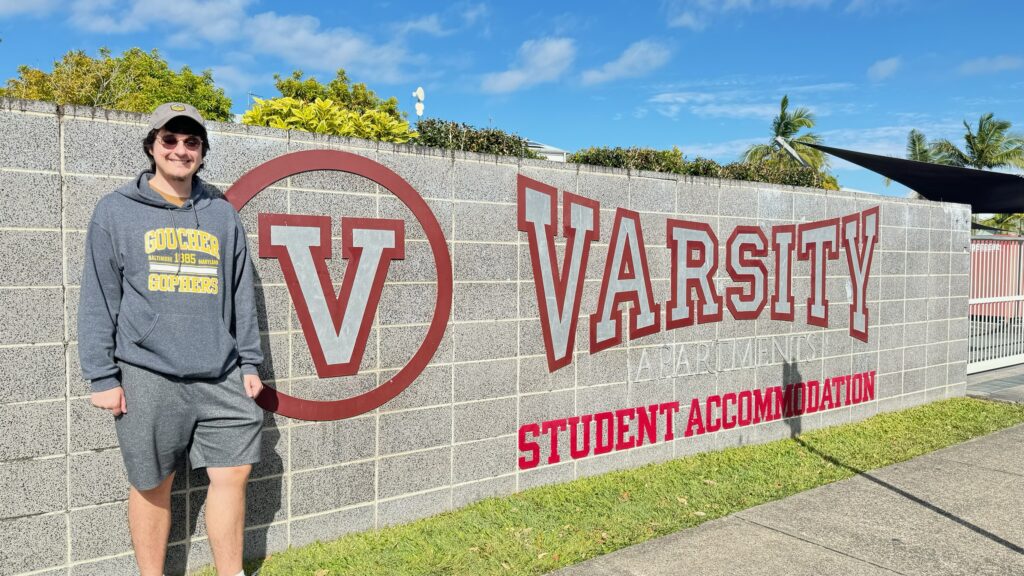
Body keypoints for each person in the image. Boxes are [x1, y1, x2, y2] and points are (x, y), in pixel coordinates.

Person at [79, 102, 265, 576]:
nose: (181, 150)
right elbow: (99, 296)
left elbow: (241, 292)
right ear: (151, 146)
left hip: (220, 371)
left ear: (202, 153)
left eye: (192, 142)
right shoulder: (115, 212)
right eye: (170, 140)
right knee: (151, 482)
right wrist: (102, 376)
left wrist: (249, 363)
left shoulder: (221, 215)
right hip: (147, 372)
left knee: (234, 474)